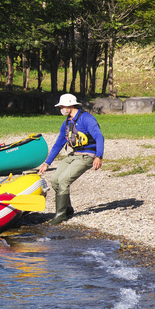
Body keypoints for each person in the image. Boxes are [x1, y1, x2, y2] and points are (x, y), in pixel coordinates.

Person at [37, 93, 104, 225]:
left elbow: (99, 137)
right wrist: (46, 163)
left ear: (70, 106)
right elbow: (58, 144)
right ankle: (67, 208)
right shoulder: (67, 123)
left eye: (62, 106)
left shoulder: (87, 118)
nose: (61, 109)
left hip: (87, 155)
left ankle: (60, 215)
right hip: (74, 155)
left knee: (63, 180)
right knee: (55, 180)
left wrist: (99, 156)